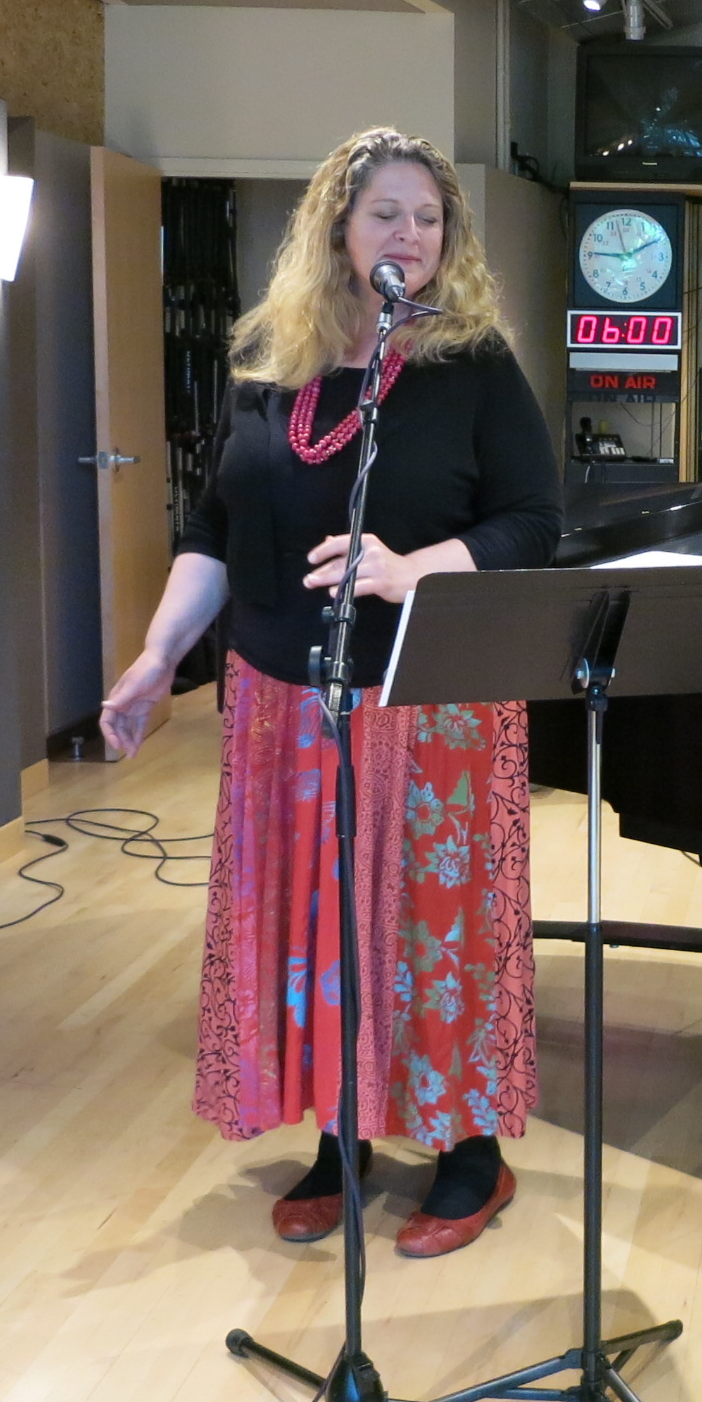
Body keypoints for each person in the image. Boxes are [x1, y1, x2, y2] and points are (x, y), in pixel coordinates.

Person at [98, 128, 561, 1259]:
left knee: (429, 932)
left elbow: (531, 523)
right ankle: (341, 1137)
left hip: (429, 699)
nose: (410, 235)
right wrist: (160, 657)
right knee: (311, 926)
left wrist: (410, 571)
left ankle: (466, 1152)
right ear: (335, 231)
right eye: (385, 214)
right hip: (277, 699)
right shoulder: (275, 368)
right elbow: (212, 528)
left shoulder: (473, 366)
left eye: (428, 218)